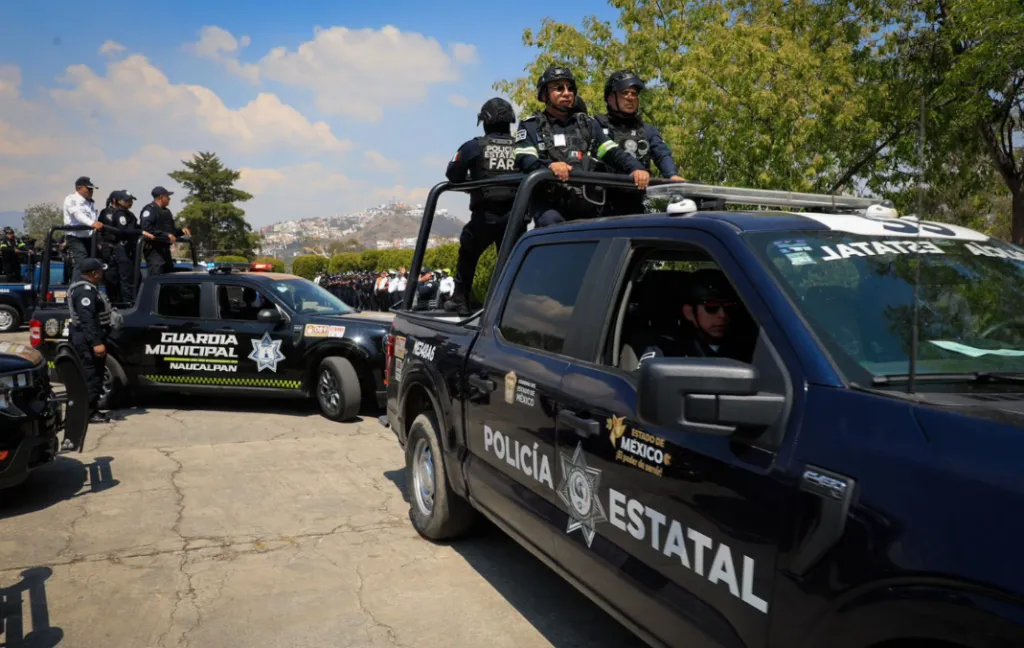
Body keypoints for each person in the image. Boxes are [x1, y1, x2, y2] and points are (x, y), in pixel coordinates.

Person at [513, 65, 650, 228]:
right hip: (551, 204)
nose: (566, 92)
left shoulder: (588, 124)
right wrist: (549, 166)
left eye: (570, 88)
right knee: (551, 224)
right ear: (544, 94)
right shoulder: (531, 126)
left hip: (588, 203)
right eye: (559, 88)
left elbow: (612, 152)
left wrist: (636, 168)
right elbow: (525, 159)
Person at [445, 97, 518, 313]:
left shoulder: (473, 146)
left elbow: (453, 175)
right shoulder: (523, 147)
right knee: (513, 261)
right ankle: (513, 305)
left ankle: (460, 299)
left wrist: (474, 182)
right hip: (516, 216)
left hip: (484, 217)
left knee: (468, 253)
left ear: (484, 121)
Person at [595, 70, 686, 217]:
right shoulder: (597, 125)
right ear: (611, 98)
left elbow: (662, 153)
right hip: (602, 205)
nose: (630, 98)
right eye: (625, 93)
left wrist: (672, 175)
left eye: (634, 94)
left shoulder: (647, 130)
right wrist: (635, 168)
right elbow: (609, 151)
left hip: (636, 203)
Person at [620, 269, 748, 371]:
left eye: (729, 308)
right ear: (689, 313)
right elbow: (644, 386)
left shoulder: (750, 347)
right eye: (711, 307)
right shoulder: (666, 350)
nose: (722, 315)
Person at [65, 257, 114, 442]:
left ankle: (91, 409)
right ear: (94, 273)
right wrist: (96, 343)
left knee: (95, 374)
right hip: (86, 340)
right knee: (91, 375)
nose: (102, 274)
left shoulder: (88, 289)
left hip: (88, 337)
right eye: (100, 271)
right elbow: (87, 320)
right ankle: (89, 412)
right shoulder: (84, 292)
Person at [99, 190, 153, 302]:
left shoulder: (129, 213)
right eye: (127, 200)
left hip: (131, 249)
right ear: (119, 201)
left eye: (131, 200)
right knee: (126, 279)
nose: (130, 202)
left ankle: (135, 301)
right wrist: (140, 232)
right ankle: (127, 304)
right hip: (122, 249)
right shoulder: (119, 213)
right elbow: (123, 230)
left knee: (136, 278)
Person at [140, 186, 190, 276]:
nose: (169, 199)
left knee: (168, 278)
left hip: (165, 250)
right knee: (156, 277)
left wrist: (181, 231)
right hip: (154, 251)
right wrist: (165, 235)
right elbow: (146, 228)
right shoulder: (150, 210)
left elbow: (171, 231)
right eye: (167, 196)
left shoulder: (166, 212)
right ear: (161, 197)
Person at [62, 176, 103, 283]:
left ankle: (89, 287)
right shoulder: (71, 199)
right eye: (88, 189)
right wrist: (92, 223)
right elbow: (77, 214)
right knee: (82, 263)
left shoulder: (90, 202)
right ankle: (76, 288)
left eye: (92, 189)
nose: (91, 191)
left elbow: (93, 218)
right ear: (79, 188)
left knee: (93, 263)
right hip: (76, 236)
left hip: (88, 237)